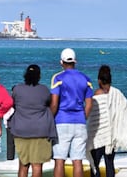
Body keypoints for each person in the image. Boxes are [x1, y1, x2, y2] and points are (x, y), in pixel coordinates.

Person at [87, 65, 127, 177]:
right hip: (111, 137)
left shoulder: (96, 95)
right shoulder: (117, 94)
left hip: (98, 137)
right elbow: (126, 111)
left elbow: (91, 119)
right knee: (109, 164)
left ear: (99, 80)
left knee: (94, 166)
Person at [50, 48, 93, 177]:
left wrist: (50, 120)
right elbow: (89, 104)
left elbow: (54, 103)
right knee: (78, 161)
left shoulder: (58, 78)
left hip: (62, 121)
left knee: (59, 161)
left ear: (61, 62)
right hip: (79, 122)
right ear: (75, 61)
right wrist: (82, 117)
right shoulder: (85, 78)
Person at [8, 64, 57, 177]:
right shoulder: (44, 90)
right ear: (39, 76)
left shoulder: (17, 89)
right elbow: (50, 104)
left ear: (25, 75)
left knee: (23, 165)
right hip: (40, 130)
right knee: (37, 166)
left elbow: (12, 104)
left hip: (21, 130)